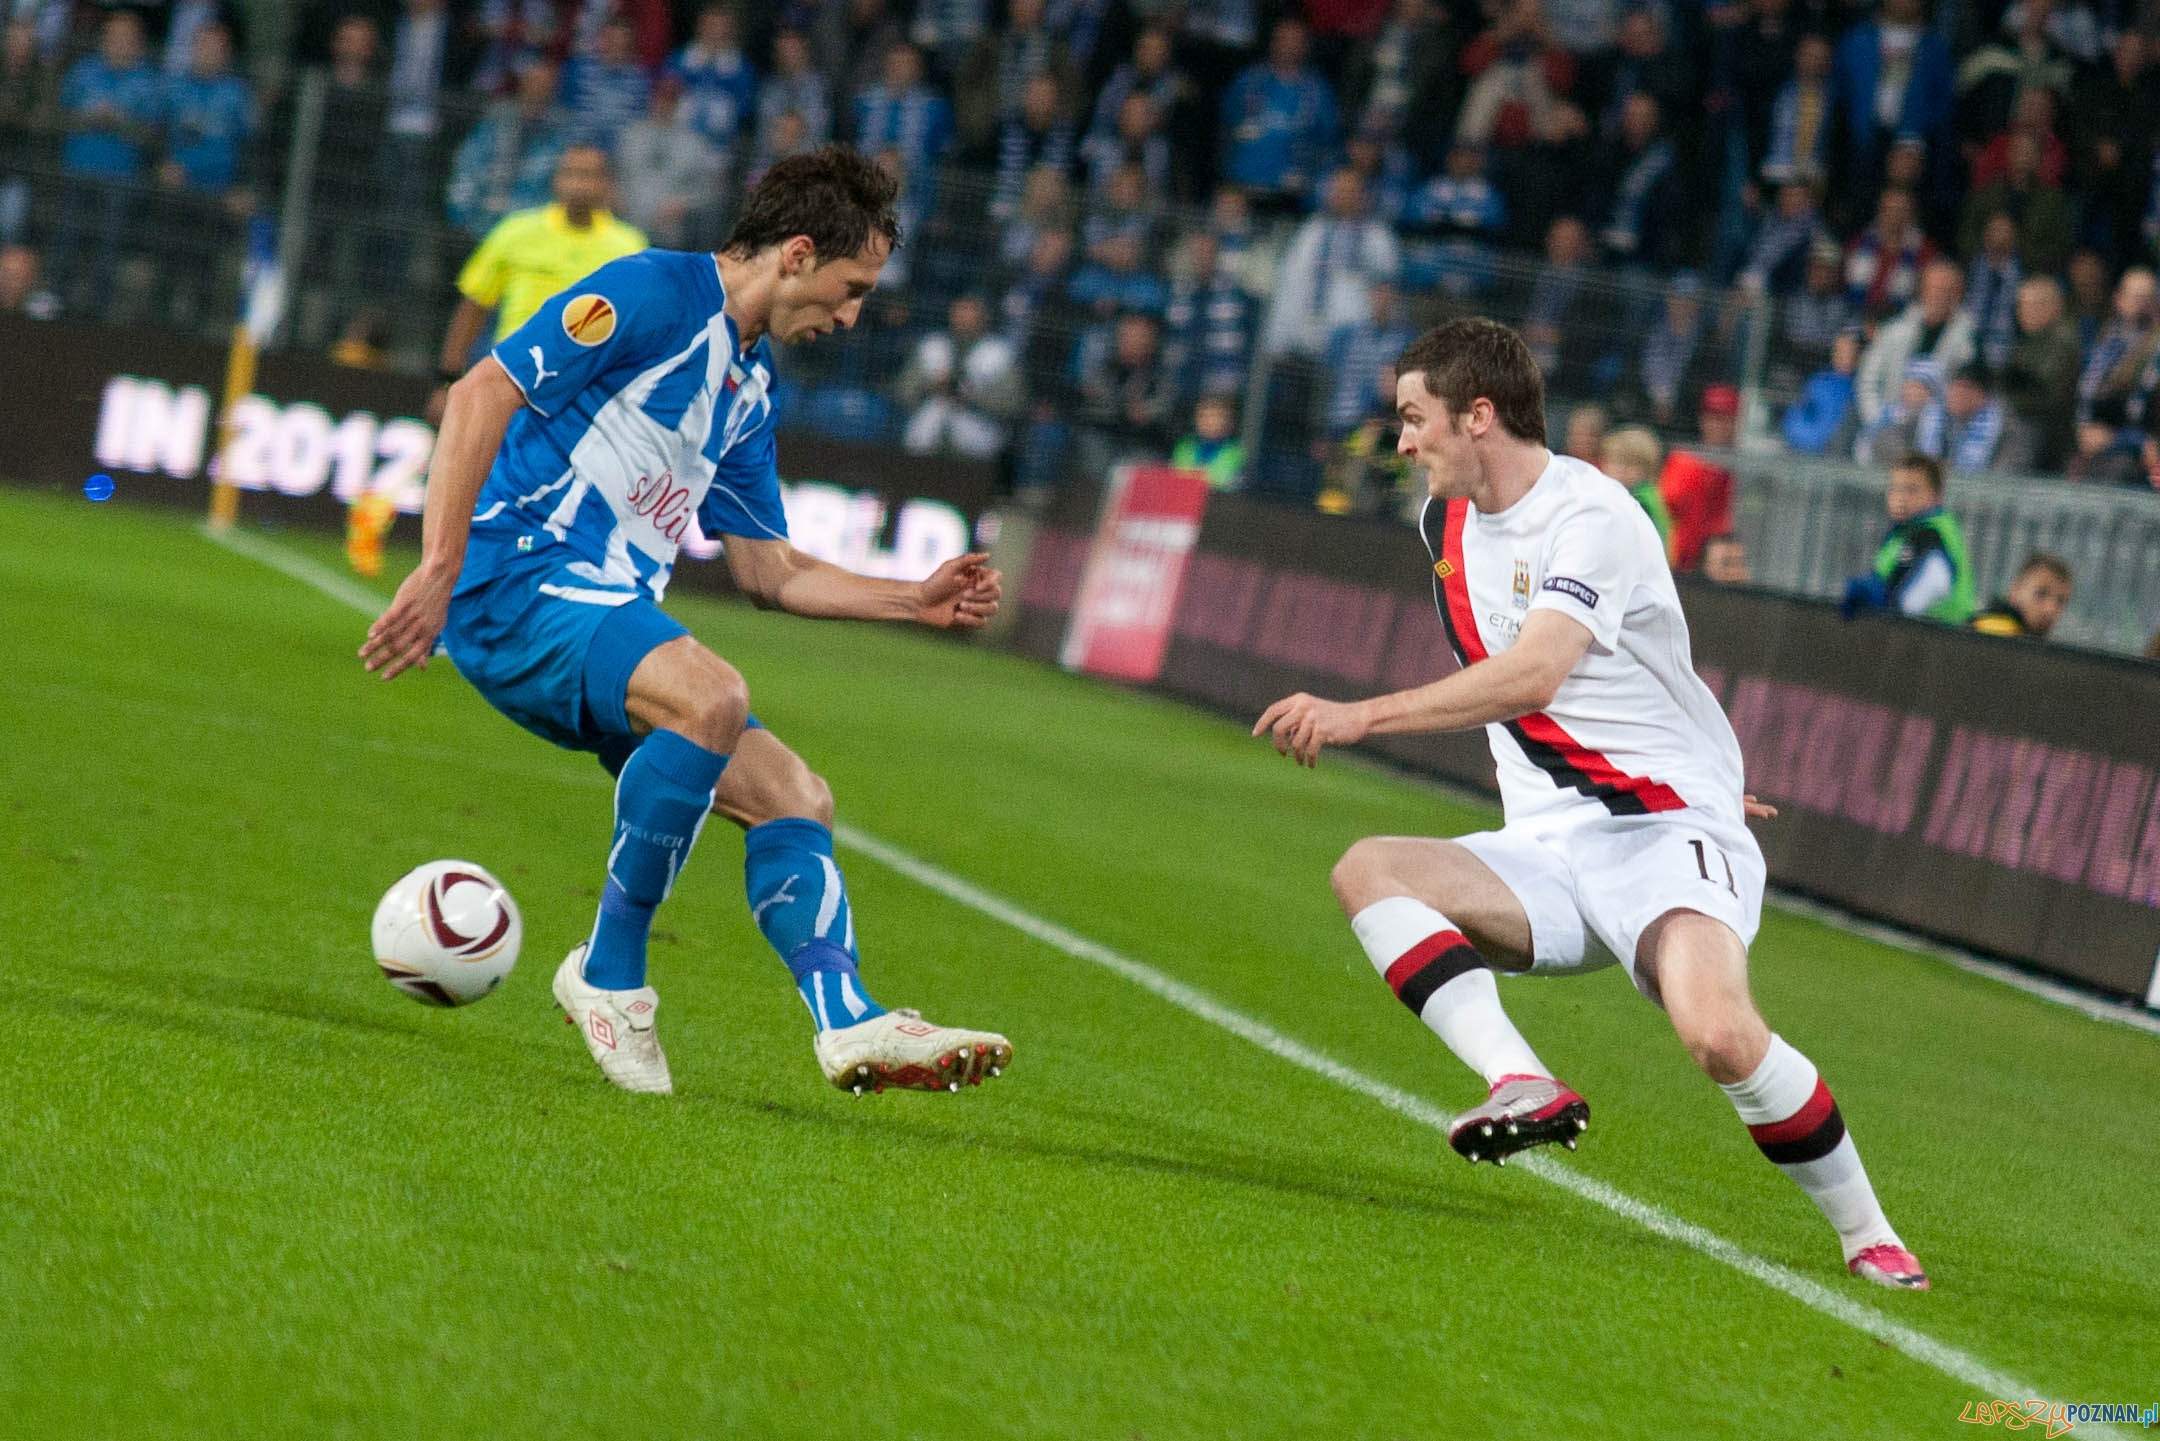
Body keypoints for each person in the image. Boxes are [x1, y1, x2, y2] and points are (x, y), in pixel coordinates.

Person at [1250, 317, 1926, 1291]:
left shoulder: (1594, 516)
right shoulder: (1442, 523)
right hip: (1547, 847)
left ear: (1479, 415)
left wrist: (1360, 715)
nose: (1401, 441)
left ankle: (1869, 1233)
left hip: (1662, 830)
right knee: (1370, 869)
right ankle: (1520, 1079)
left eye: (1414, 417)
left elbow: (1536, 673)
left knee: (1719, 1035)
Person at [361, 146, 1011, 1098]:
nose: (850, 317)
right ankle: (610, 975)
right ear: (797, 254)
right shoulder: (650, 293)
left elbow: (768, 571)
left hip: (602, 614)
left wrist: (911, 599)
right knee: (712, 696)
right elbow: (481, 391)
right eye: (851, 289)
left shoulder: (750, 388)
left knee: (796, 796)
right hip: (518, 579)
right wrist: (439, 566)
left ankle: (849, 1019)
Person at [428, 145, 646, 423]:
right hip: (512, 378)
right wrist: (447, 381)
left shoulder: (629, 247)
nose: (579, 184)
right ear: (556, 180)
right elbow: (473, 308)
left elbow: (637, 329)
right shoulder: (515, 231)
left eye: (589, 175)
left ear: (607, 183)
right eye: (571, 173)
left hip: (587, 392)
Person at [1841, 453, 1974, 624]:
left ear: (1936, 495)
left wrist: (1873, 596)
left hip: (1938, 636)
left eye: (1912, 490)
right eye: (1895, 488)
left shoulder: (1931, 536)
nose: (1901, 498)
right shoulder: (1904, 532)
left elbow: (1908, 603)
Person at [1599, 425, 1673, 560]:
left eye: (1630, 464)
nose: (1620, 470)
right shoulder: (1617, 495)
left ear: (1647, 469)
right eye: (1615, 462)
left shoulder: (1641, 501)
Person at [1970, 553, 2072, 639]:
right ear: (2015, 591)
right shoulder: (1993, 633)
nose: (2050, 609)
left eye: (2060, 601)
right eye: (2041, 594)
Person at [1170, 392, 1246, 491]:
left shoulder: (1235, 452)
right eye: (1203, 416)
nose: (1209, 422)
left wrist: (1198, 477)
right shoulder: (1184, 446)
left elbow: (1226, 483)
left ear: (1229, 423)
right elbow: (1175, 476)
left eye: (1217, 417)